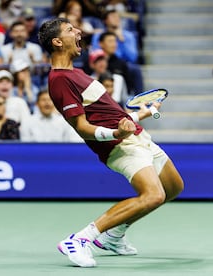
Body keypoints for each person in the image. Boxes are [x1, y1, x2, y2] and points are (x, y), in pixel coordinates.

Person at [38, 18, 184, 267]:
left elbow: (112, 115)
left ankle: (113, 236)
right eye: (71, 30)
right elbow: (82, 127)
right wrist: (115, 135)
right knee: (153, 195)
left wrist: (141, 114)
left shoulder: (77, 72)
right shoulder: (60, 80)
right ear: (58, 41)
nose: (79, 31)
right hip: (119, 147)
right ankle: (81, 239)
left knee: (173, 187)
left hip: (137, 137)